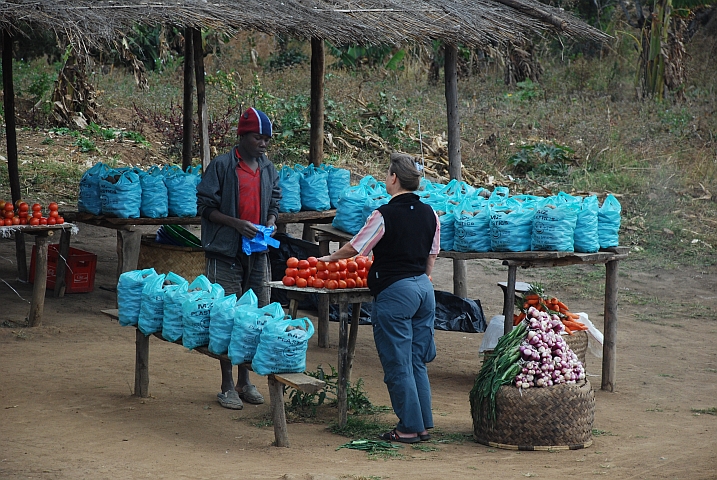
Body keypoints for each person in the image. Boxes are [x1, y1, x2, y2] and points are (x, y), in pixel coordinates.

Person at [318, 153, 440, 443]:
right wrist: (419, 278)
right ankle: (422, 424)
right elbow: (432, 255)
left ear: (394, 178)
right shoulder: (431, 214)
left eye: (387, 174)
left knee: (398, 362)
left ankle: (408, 428)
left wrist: (330, 257)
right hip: (424, 291)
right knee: (415, 360)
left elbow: (356, 247)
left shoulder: (383, 215)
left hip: (396, 293)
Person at [196, 107, 281, 410]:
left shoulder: (268, 168)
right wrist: (236, 224)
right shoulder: (222, 166)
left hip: (257, 254)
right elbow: (205, 207)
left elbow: (276, 199)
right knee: (227, 317)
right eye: (258, 138)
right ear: (243, 137)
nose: (263, 144)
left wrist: (270, 220)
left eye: (267, 140)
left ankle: (246, 381)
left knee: (253, 318)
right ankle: (227, 384)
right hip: (225, 251)